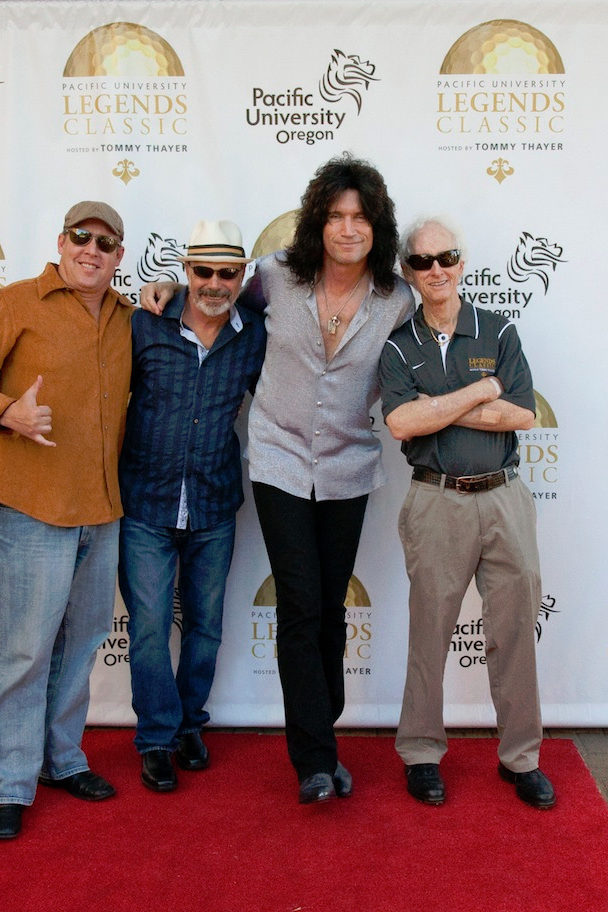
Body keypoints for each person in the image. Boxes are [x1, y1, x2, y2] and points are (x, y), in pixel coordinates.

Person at [143, 154, 414, 803]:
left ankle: (323, 710)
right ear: (318, 220)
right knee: (299, 602)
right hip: (278, 459)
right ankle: (315, 760)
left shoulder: (395, 299)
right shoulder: (275, 277)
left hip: (349, 465)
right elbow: (217, 290)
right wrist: (164, 289)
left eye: (360, 216)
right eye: (336, 215)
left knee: (329, 605)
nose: (348, 228)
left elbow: (431, 337)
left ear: (375, 226)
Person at [0, 200, 133, 839]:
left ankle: (61, 759)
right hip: (32, 507)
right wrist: (4, 411)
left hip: (102, 510)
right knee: (23, 651)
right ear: (61, 241)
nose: (92, 250)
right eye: (82, 237)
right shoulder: (14, 302)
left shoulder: (129, 317)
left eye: (106, 244)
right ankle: (5, 783)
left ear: (118, 256)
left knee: (78, 648)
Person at [378, 216, 555, 809]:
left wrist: (440, 406)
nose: (436, 270)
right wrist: (481, 392)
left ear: (462, 261)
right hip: (436, 501)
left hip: (504, 499)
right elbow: (401, 422)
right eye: (423, 262)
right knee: (429, 632)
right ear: (408, 271)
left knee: (514, 632)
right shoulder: (399, 344)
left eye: (446, 257)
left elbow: (524, 415)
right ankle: (422, 752)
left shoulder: (497, 330)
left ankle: (521, 757)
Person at [118, 220, 265, 793]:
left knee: (205, 627)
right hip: (146, 504)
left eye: (227, 272)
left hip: (214, 503)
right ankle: (156, 736)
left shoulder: (253, 333)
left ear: (242, 276)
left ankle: (187, 725)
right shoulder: (146, 324)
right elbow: (104, 394)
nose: (214, 283)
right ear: (185, 271)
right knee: (151, 628)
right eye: (203, 271)